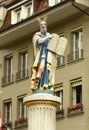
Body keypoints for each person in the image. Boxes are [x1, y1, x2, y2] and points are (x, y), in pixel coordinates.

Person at [30, 18, 57, 91]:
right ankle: (36, 85)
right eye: (41, 24)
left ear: (46, 26)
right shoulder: (37, 35)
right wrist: (47, 37)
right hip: (42, 53)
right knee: (41, 68)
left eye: (44, 24)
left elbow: (54, 47)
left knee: (48, 70)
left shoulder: (49, 35)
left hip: (49, 54)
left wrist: (58, 53)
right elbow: (39, 41)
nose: (43, 26)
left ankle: (46, 85)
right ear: (39, 26)